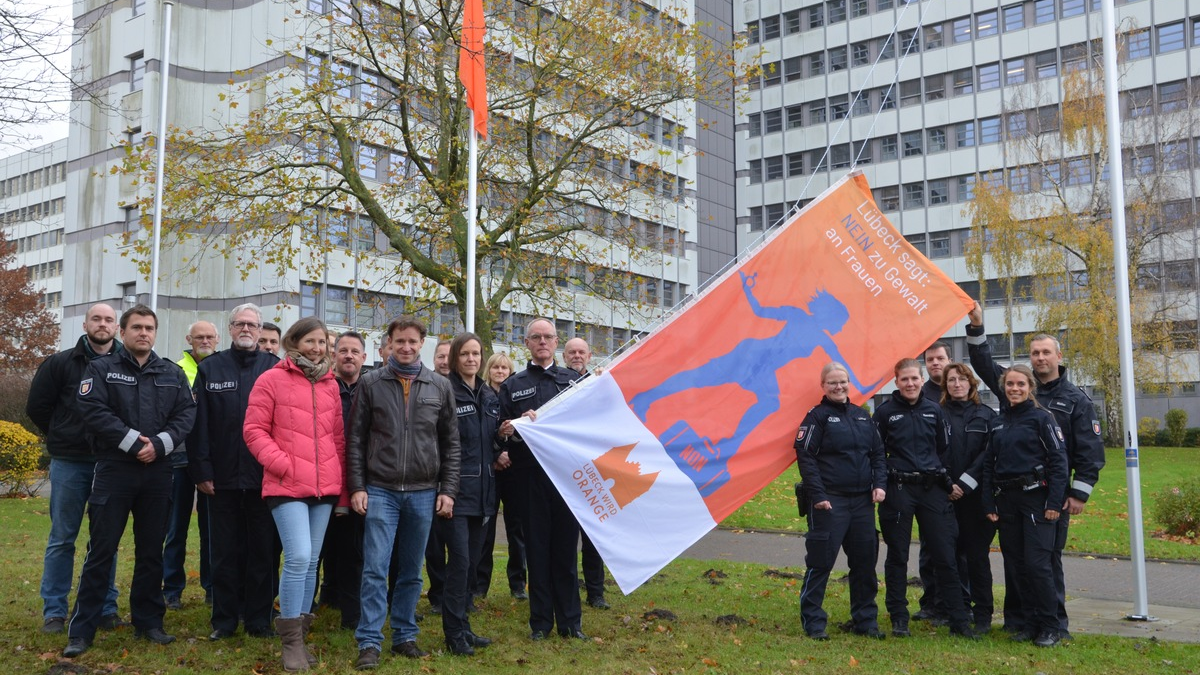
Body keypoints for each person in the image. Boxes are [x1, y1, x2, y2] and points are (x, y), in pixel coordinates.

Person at [966, 303, 1105, 639]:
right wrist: (977, 327)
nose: (1040, 357)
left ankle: (1055, 624)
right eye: (1035, 353)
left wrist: (1078, 491)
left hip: (1051, 495)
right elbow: (984, 365)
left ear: (1058, 356)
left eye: (1046, 352)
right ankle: (1020, 621)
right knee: (1016, 561)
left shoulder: (1075, 400)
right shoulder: (1018, 391)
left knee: (1044, 562)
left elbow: (1089, 450)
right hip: (1012, 496)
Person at [64, 305, 196, 657]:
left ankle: (149, 622)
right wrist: (135, 443)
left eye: (149, 328)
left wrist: (161, 444)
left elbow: (186, 414)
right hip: (115, 470)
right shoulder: (101, 369)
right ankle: (82, 630)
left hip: (158, 472)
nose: (143, 333)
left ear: (155, 332)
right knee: (101, 551)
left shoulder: (171, 372)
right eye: (136, 327)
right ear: (123, 332)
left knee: (152, 552)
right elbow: (92, 410)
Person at [347, 316, 460, 670]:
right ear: (390, 345)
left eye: (412, 341)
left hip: (425, 492)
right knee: (375, 569)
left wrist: (449, 490)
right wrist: (357, 486)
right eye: (400, 342)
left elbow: (451, 443)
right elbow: (355, 440)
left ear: (421, 343)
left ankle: (404, 635)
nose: (406, 347)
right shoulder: (370, 383)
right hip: (380, 490)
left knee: (412, 570)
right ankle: (369, 641)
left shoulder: (440, 386)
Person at [245, 317, 347, 671]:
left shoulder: (330, 385)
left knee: (311, 562)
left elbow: (337, 439)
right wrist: (282, 463)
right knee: (299, 556)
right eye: (310, 342)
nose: (317, 348)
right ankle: (289, 642)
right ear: (294, 342)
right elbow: (254, 430)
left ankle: (300, 636)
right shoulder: (271, 378)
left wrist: (340, 483)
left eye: (322, 343)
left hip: (324, 487)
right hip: (286, 484)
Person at [27, 303, 124, 634]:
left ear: (117, 327)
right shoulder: (60, 363)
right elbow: (37, 407)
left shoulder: (126, 363)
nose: (102, 324)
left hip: (110, 463)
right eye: (96, 319)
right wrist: (62, 435)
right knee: (62, 538)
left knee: (104, 541)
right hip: (70, 462)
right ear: (85, 324)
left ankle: (105, 607)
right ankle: (54, 610)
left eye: (109, 319)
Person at [189, 304, 280, 641]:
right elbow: (199, 426)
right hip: (221, 479)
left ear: (260, 331)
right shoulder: (211, 368)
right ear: (229, 329)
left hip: (265, 479)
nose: (246, 329)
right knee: (223, 552)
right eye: (240, 323)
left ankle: (259, 619)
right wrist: (201, 470)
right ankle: (224, 621)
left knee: (264, 551)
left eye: (252, 325)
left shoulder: (275, 368)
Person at [872, 358, 975, 639]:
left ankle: (958, 620)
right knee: (897, 556)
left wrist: (945, 482)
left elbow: (942, 450)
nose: (910, 383)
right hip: (899, 490)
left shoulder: (934, 410)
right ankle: (899, 618)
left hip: (932, 491)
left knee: (945, 554)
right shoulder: (884, 413)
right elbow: (876, 453)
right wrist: (880, 485)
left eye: (915, 378)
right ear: (896, 381)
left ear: (922, 379)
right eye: (904, 379)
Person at [498, 318, 587, 640]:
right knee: (536, 552)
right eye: (536, 337)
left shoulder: (573, 381)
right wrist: (512, 429)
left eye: (548, 337)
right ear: (527, 343)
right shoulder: (513, 384)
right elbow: (500, 433)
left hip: (566, 478)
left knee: (565, 552)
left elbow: (586, 425)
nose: (542, 342)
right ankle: (540, 624)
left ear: (556, 341)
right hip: (529, 478)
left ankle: (570, 622)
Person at [794, 363, 887, 641]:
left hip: (862, 503)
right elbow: (805, 457)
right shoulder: (816, 417)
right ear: (823, 386)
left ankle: (865, 621)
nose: (839, 387)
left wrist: (880, 485)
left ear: (850, 383)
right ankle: (813, 622)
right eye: (833, 383)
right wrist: (818, 495)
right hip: (829, 502)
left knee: (864, 563)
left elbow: (878, 454)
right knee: (821, 563)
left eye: (843, 382)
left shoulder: (862, 416)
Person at [980, 365, 1068, 648]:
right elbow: (988, 466)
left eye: (1020, 384)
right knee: (1017, 566)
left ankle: (1051, 626)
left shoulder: (1043, 418)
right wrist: (989, 502)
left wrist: (1054, 502)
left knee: (1038, 565)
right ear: (1004, 387)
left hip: (1037, 501)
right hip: (1007, 502)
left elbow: (1059, 462)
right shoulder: (997, 421)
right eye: (1009, 384)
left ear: (1030, 387)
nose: (1014, 389)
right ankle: (1029, 624)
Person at [438, 331, 499, 655]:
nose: (471, 359)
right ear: (455, 358)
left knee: (472, 565)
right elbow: (438, 443)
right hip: (455, 494)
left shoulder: (489, 395)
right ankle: (453, 634)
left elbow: (492, 444)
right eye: (465, 354)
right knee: (459, 564)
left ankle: (464, 626)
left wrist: (506, 438)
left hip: (484, 495)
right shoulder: (444, 390)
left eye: (476, 354)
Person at [163, 320, 218, 610]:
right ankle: (172, 589)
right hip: (179, 458)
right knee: (176, 527)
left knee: (211, 530)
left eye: (210, 336)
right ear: (189, 339)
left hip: (211, 461)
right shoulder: (174, 369)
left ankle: (211, 587)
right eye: (200, 337)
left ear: (217, 340)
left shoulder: (222, 368)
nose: (205, 341)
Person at [940, 363, 998, 633]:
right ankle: (956, 611)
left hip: (976, 498)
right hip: (944, 496)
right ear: (945, 386)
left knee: (976, 557)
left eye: (962, 379)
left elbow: (989, 455)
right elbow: (929, 452)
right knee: (949, 558)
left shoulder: (986, 416)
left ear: (971, 384)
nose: (957, 384)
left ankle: (983, 613)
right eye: (951, 380)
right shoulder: (935, 414)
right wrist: (948, 484)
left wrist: (965, 483)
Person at [318, 332, 369, 629]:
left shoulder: (373, 388)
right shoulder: (322, 386)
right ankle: (304, 612)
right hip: (322, 480)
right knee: (317, 551)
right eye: (343, 350)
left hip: (360, 480)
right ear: (334, 355)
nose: (349, 355)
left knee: (354, 551)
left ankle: (352, 615)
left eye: (355, 351)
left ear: (364, 357)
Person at [562, 337, 609, 609]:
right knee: (566, 537)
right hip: (566, 471)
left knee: (594, 538)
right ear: (564, 355)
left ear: (590, 356)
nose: (577, 356)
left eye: (581, 352)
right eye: (572, 352)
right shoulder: (555, 384)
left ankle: (596, 592)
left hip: (595, 469)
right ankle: (567, 589)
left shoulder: (600, 384)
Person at [913, 340, 953, 624]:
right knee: (929, 549)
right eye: (930, 360)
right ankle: (930, 603)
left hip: (961, 483)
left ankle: (958, 602)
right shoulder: (919, 394)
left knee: (957, 549)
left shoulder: (960, 388)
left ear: (949, 359)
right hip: (929, 484)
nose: (935, 363)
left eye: (940, 358)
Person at [480, 351, 523, 601]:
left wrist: (507, 451)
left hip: (514, 470)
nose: (499, 372)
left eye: (504, 368)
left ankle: (518, 583)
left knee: (516, 529)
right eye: (495, 368)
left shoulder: (514, 396)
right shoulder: (483, 397)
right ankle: (480, 583)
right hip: (491, 469)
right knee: (486, 530)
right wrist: (497, 454)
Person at [424, 339, 454, 616]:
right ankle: (436, 594)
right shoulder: (428, 386)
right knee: (432, 545)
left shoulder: (464, 388)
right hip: (428, 477)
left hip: (456, 477)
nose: (444, 361)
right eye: (440, 356)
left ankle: (457, 595)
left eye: (449, 356)